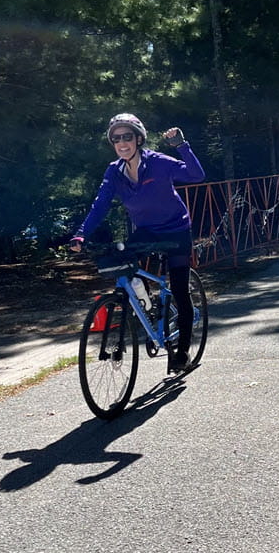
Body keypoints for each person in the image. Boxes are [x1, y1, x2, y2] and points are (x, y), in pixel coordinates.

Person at [69, 113, 206, 374]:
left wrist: (181, 146)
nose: (122, 143)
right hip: (145, 231)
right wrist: (81, 233)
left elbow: (196, 175)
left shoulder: (159, 162)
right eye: (116, 139)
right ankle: (148, 306)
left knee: (179, 289)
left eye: (127, 137)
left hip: (176, 230)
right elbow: (100, 205)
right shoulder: (114, 171)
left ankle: (183, 352)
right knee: (121, 262)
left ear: (138, 139)